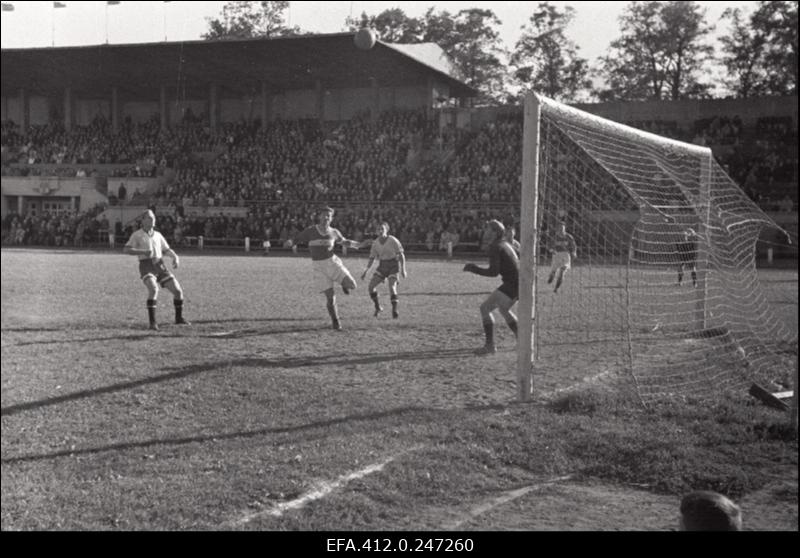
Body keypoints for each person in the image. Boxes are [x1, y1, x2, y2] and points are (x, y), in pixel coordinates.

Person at [289, 206, 360, 330]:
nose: (326, 217)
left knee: (352, 285)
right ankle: (336, 321)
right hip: (319, 267)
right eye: (324, 215)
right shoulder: (310, 231)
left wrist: (358, 245)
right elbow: (297, 239)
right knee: (330, 298)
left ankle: (342, 283)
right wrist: (290, 242)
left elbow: (344, 242)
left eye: (329, 215)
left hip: (332, 263)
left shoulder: (334, 232)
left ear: (331, 218)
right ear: (319, 216)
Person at [123, 209, 189, 331]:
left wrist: (175, 257)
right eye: (149, 217)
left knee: (178, 291)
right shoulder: (137, 235)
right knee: (153, 289)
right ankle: (152, 323)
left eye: (153, 217)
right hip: (146, 265)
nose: (152, 219)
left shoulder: (158, 235)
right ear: (142, 221)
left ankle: (178, 318)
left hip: (160, 264)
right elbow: (126, 249)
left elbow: (166, 249)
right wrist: (143, 252)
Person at [463, 220, 519, 355]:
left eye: (488, 229)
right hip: (519, 283)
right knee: (503, 309)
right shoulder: (505, 243)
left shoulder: (495, 246)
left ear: (494, 232)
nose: (485, 231)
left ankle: (490, 346)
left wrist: (474, 269)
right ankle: (521, 339)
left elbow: (493, 272)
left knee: (485, 308)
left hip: (513, 283)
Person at [360, 222, 407, 319]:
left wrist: (403, 269)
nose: (380, 231)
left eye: (382, 228)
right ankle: (378, 307)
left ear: (387, 229)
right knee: (371, 287)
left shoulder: (393, 240)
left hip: (393, 265)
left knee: (392, 287)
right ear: (376, 231)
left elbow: (401, 254)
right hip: (382, 266)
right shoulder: (375, 243)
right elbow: (372, 258)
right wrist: (366, 271)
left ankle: (394, 310)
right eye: (378, 229)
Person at [546, 221, 577, 294]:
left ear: (565, 228)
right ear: (557, 229)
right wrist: (551, 250)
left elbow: (573, 245)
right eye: (559, 228)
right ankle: (552, 275)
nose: (561, 229)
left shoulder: (569, 237)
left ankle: (556, 288)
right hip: (556, 255)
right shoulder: (554, 237)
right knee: (554, 271)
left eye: (562, 228)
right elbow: (549, 246)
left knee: (562, 272)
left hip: (566, 256)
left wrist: (574, 252)